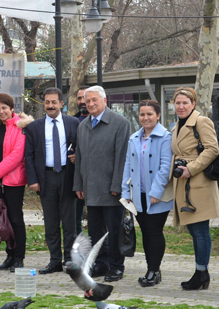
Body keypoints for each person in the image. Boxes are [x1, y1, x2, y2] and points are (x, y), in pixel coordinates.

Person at [73, 85, 130, 282]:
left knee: (114, 231)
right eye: (87, 101)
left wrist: (117, 185)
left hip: (111, 189)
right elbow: (79, 158)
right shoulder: (83, 125)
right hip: (90, 189)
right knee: (96, 231)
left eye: (94, 100)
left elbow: (122, 157)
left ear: (104, 100)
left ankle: (116, 266)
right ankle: (101, 263)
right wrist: (78, 185)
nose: (90, 104)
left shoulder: (120, 123)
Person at [170, 87, 219, 291]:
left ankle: (202, 273)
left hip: (198, 182)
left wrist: (190, 169)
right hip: (183, 183)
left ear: (193, 104)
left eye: (185, 103)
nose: (181, 106)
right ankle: (201, 272)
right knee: (194, 230)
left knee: (200, 231)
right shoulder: (177, 125)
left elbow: (213, 148)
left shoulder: (201, 121)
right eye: (178, 103)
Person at [24, 87, 79, 275]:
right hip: (45, 178)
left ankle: (70, 261)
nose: (50, 106)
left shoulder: (74, 123)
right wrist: (32, 180)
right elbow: (28, 156)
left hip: (68, 176)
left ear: (61, 104)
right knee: (51, 223)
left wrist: (76, 157)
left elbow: (81, 148)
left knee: (70, 223)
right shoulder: (34, 127)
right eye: (47, 102)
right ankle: (55, 261)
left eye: (54, 102)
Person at [121, 100, 173, 287]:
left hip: (156, 195)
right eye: (142, 114)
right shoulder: (134, 137)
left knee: (154, 231)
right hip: (138, 195)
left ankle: (154, 270)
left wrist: (156, 191)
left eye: (149, 114)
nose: (145, 118)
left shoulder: (166, 137)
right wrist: (126, 191)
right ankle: (150, 270)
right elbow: (128, 165)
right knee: (145, 232)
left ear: (158, 115)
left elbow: (166, 166)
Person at [0, 93, 33, 272]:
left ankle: (19, 257)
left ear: (11, 108)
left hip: (14, 181)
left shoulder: (20, 126)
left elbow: (16, 156)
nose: (1, 111)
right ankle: (9, 255)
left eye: (4, 108)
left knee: (15, 218)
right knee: (3, 219)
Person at [73, 86, 90, 235]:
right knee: (74, 219)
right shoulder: (72, 121)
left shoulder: (109, 122)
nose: (82, 101)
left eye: (85, 97)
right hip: (75, 179)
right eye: (79, 98)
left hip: (96, 180)